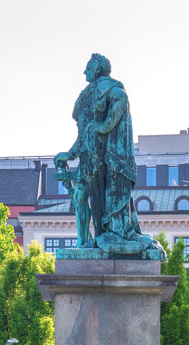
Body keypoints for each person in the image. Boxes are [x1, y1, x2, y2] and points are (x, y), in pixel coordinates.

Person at [54, 54, 159, 255]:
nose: (84, 71)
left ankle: (95, 239)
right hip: (87, 156)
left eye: (87, 67)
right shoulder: (90, 93)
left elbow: (121, 98)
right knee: (80, 197)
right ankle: (84, 243)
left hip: (100, 158)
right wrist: (69, 155)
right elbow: (85, 132)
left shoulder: (107, 87)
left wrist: (104, 126)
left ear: (97, 70)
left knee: (92, 200)